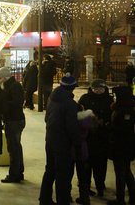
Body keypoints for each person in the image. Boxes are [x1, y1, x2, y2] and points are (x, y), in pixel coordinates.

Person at [39, 73, 80, 205]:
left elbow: (47, 119)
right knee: (62, 174)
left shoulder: (52, 99)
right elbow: (72, 127)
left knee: (50, 170)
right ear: (72, 88)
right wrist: (77, 143)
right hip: (63, 143)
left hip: (50, 140)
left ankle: (44, 199)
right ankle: (62, 200)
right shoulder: (70, 104)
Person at [78, 79, 113, 197]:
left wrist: (105, 122)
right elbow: (79, 115)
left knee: (101, 164)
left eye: (101, 89)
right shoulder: (85, 98)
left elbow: (111, 116)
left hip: (102, 137)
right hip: (87, 137)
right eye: (95, 89)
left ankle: (100, 185)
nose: (98, 91)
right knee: (87, 164)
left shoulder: (109, 100)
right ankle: (86, 186)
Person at [106, 86, 135, 205]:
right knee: (126, 171)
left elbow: (124, 128)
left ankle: (120, 199)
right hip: (123, 145)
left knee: (121, 173)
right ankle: (131, 197)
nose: (115, 97)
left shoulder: (126, 110)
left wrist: (108, 126)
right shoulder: (123, 108)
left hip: (122, 145)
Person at [0, 66, 25, 183]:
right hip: (15, 120)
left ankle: (14, 174)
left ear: (4, 77)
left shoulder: (13, 86)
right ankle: (19, 172)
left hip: (14, 120)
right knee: (16, 147)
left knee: (13, 148)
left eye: (0, 77)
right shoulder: (12, 85)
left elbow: (16, 103)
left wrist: (3, 104)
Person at [75, 107, 95, 205]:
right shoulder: (87, 121)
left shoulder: (74, 121)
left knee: (68, 173)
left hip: (73, 148)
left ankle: (67, 195)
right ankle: (84, 197)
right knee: (83, 174)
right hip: (83, 149)